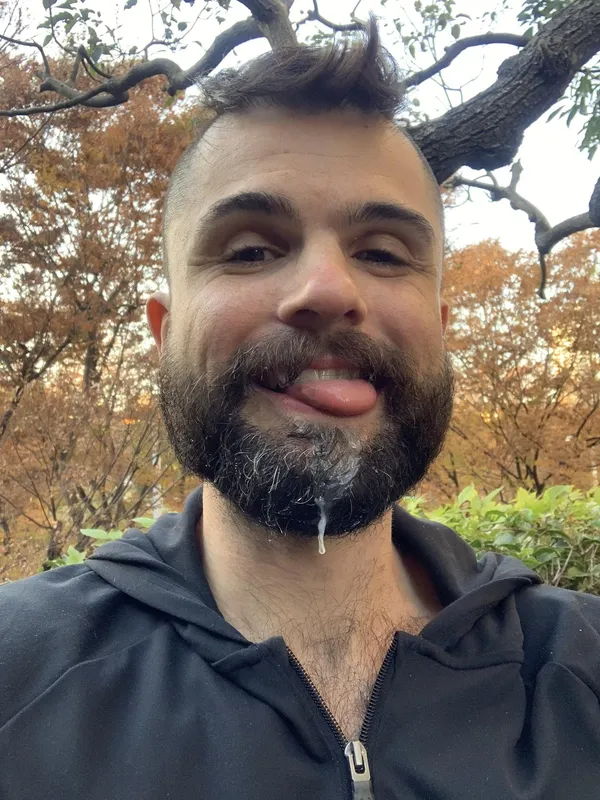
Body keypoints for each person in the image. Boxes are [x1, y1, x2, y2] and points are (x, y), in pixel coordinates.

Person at [1, 20, 599, 800]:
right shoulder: (17, 673)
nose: (327, 289)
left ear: (441, 331)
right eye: (252, 249)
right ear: (165, 333)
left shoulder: (580, 668)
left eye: (382, 253)